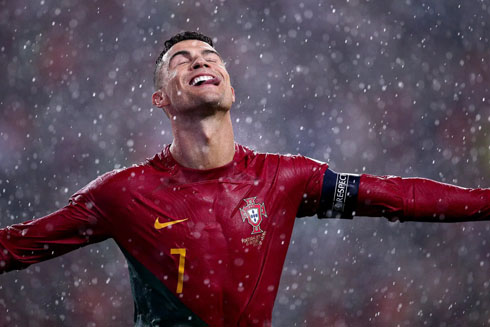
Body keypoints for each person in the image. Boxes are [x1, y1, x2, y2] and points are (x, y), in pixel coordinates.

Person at [0, 31, 488, 327]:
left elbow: (397, 197)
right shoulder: (122, 193)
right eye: (181, 59)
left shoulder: (286, 178)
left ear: (230, 87)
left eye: (211, 56)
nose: (200, 60)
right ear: (160, 99)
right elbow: (16, 247)